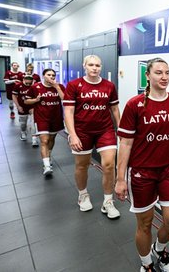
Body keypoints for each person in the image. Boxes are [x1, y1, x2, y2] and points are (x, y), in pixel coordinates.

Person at [115, 57, 169, 272]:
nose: (164, 77)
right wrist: (120, 179)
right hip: (141, 173)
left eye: (167, 72)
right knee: (145, 224)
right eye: (158, 72)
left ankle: (159, 249)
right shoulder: (134, 105)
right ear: (147, 76)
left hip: (167, 171)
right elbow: (126, 144)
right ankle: (146, 262)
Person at [63, 55, 121, 219]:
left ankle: (108, 201)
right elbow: (68, 111)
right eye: (91, 65)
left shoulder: (109, 86)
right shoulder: (74, 85)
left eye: (97, 65)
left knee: (109, 164)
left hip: (105, 129)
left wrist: (122, 130)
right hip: (82, 131)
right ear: (84, 66)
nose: (94, 68)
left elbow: (115, 109)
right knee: (82, 165)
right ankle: (83, 194)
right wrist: (72, 135)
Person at [25, 68, 65, 176]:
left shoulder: (59, 86)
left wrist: (56, 87)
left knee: (51, 139)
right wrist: (36, 100)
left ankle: (49, 155)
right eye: (49, 75)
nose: (51, 77)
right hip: (41, 118)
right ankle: (47, 165)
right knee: (44, 140)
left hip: (55, 117)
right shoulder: (35, 87)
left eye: (53, 75)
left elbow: (65, 99)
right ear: (43, 75)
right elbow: (26, 100)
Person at [12, 75, 39, 147]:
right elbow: (14, 96)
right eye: (27, 80)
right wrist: (18, 106)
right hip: (22, 106)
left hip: (32, 106)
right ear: (24, 79)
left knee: (33, 122)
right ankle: (23, 132)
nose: (28, 83)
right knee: (23, 123)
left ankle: (34, 138)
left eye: (30, 81)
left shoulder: (35, 86)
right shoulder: (18, 86)